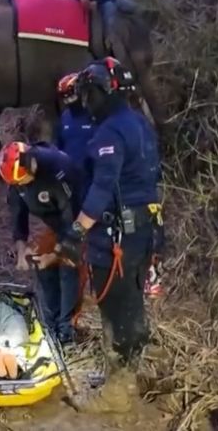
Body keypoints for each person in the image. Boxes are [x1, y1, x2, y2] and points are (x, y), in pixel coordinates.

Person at [55, 57, 164, 365]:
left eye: (89, 94)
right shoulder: (141, 124)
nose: (86, 102)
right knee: (132, 302)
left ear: (102, 91)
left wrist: (75, 232)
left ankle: (119, 389)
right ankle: (141, 366)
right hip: (144, 231)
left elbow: (102, 187)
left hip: (116, 237)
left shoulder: (109, 133)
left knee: (115, 310)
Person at [0, 140, 85, 345]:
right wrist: (21, 248)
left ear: (33, 165)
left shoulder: (58, 171)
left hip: (80, 223)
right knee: (41, 263)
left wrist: (56, 253)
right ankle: (50, 323)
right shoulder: (18, 181)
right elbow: (18, 214)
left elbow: (71, 222)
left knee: (68, 265)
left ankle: (67, 328)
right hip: (55, 224)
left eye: (24, 181)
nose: (22, 186)